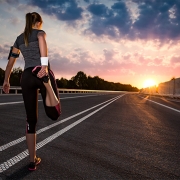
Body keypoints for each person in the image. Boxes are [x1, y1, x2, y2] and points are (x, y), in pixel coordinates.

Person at [3, 12, 61, 171]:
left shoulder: (19, 39)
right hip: (41, 72)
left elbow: (10, 63)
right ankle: (47, 84)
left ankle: (31, 160)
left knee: (31, 120)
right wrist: (44, 67)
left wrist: (6, 80)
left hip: (27, 76)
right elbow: (41, 39)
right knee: (54, 114)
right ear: (39, 22)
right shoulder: (40, 33)